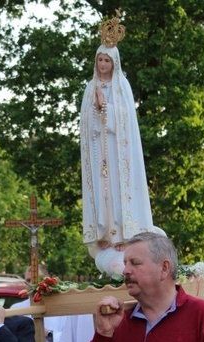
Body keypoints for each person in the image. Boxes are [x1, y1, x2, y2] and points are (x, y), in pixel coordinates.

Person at [80, 13, 158, 276]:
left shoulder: (121, 85)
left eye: (107, 60)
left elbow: (125, 121)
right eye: (100, 60)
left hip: (117, 153)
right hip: (98, 151)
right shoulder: (90, 87)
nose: (103, 65)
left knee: (117, 189)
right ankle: (104, 234)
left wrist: (107, 108)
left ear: (114, 63)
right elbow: (85, 124)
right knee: (102, 193)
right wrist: (95, 110)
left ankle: (123, 232)